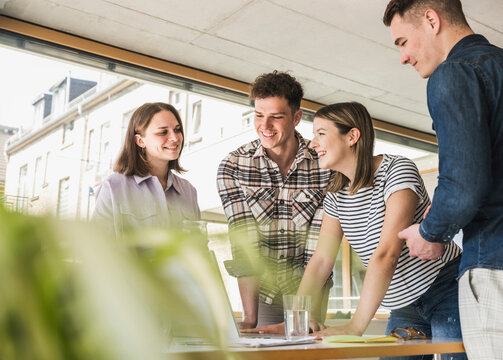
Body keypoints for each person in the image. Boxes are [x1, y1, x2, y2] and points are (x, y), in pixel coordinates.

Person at [246, 102, 465, 360]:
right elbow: (321, 261)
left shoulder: (397, 170)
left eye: (321, 134)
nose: (313, 144)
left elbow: (387, 253)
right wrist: (296, 319)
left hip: (445, 288)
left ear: (352, 136)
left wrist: (356, 325)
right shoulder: (336, 195)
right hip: (402, 305)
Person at [383, 1, 503, 358]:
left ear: (431, 20)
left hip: (494, 260)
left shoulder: (454, 73)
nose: (403, 57)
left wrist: (430, 233)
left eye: (403, 41)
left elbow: (464, 184)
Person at [216, 71, 333, 328]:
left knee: (306, 347)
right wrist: (250, 318)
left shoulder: (325, 165)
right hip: (264, 290)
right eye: (259, 115)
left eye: (276, 117)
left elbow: (319, 249)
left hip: (311, 284)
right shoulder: (233, 166)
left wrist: (305, 313)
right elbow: (244, 242)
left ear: (296, 118)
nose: (265, 126)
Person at [94, 102, 200, 237]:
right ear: (140, 141)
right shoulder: (113, 187)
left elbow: (199, 246)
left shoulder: (188, 191)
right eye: (163, 132)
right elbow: (98, 249)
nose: (174, 138)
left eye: (177, 130)